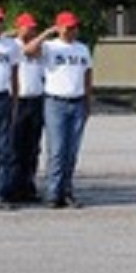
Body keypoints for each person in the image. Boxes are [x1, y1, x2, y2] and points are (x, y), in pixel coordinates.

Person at [24, 11, 92, 209]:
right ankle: (53, 193)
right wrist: (47, 33)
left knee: (72, 151)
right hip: (56, 102)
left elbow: (87, 75)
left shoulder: (82, 49)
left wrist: (88, 101)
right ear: (60, 28)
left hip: (77, 101)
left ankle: (67, 191)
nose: (73, 31)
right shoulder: (50, 47)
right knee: (57, 150)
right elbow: (28, 51)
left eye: (75, 27)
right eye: (69, 27)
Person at [6, 12, 44, 203]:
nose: (32, 30)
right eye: (28, 27)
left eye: (33, 27)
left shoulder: (40, 48)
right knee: (15, 146)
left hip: (36, 100)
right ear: (19, 27)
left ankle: (27, 186)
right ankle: (11, 187)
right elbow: (27, 49)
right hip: (18, 101)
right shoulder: (13, 46)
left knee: (32, 147)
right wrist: (47, 32)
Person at [0, 6, 19, 209]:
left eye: (0, 21)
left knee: (3, 149)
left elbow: (14, 75)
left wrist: (15, 100)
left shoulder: (10, 46)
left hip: (2, 96)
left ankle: (0, 193)